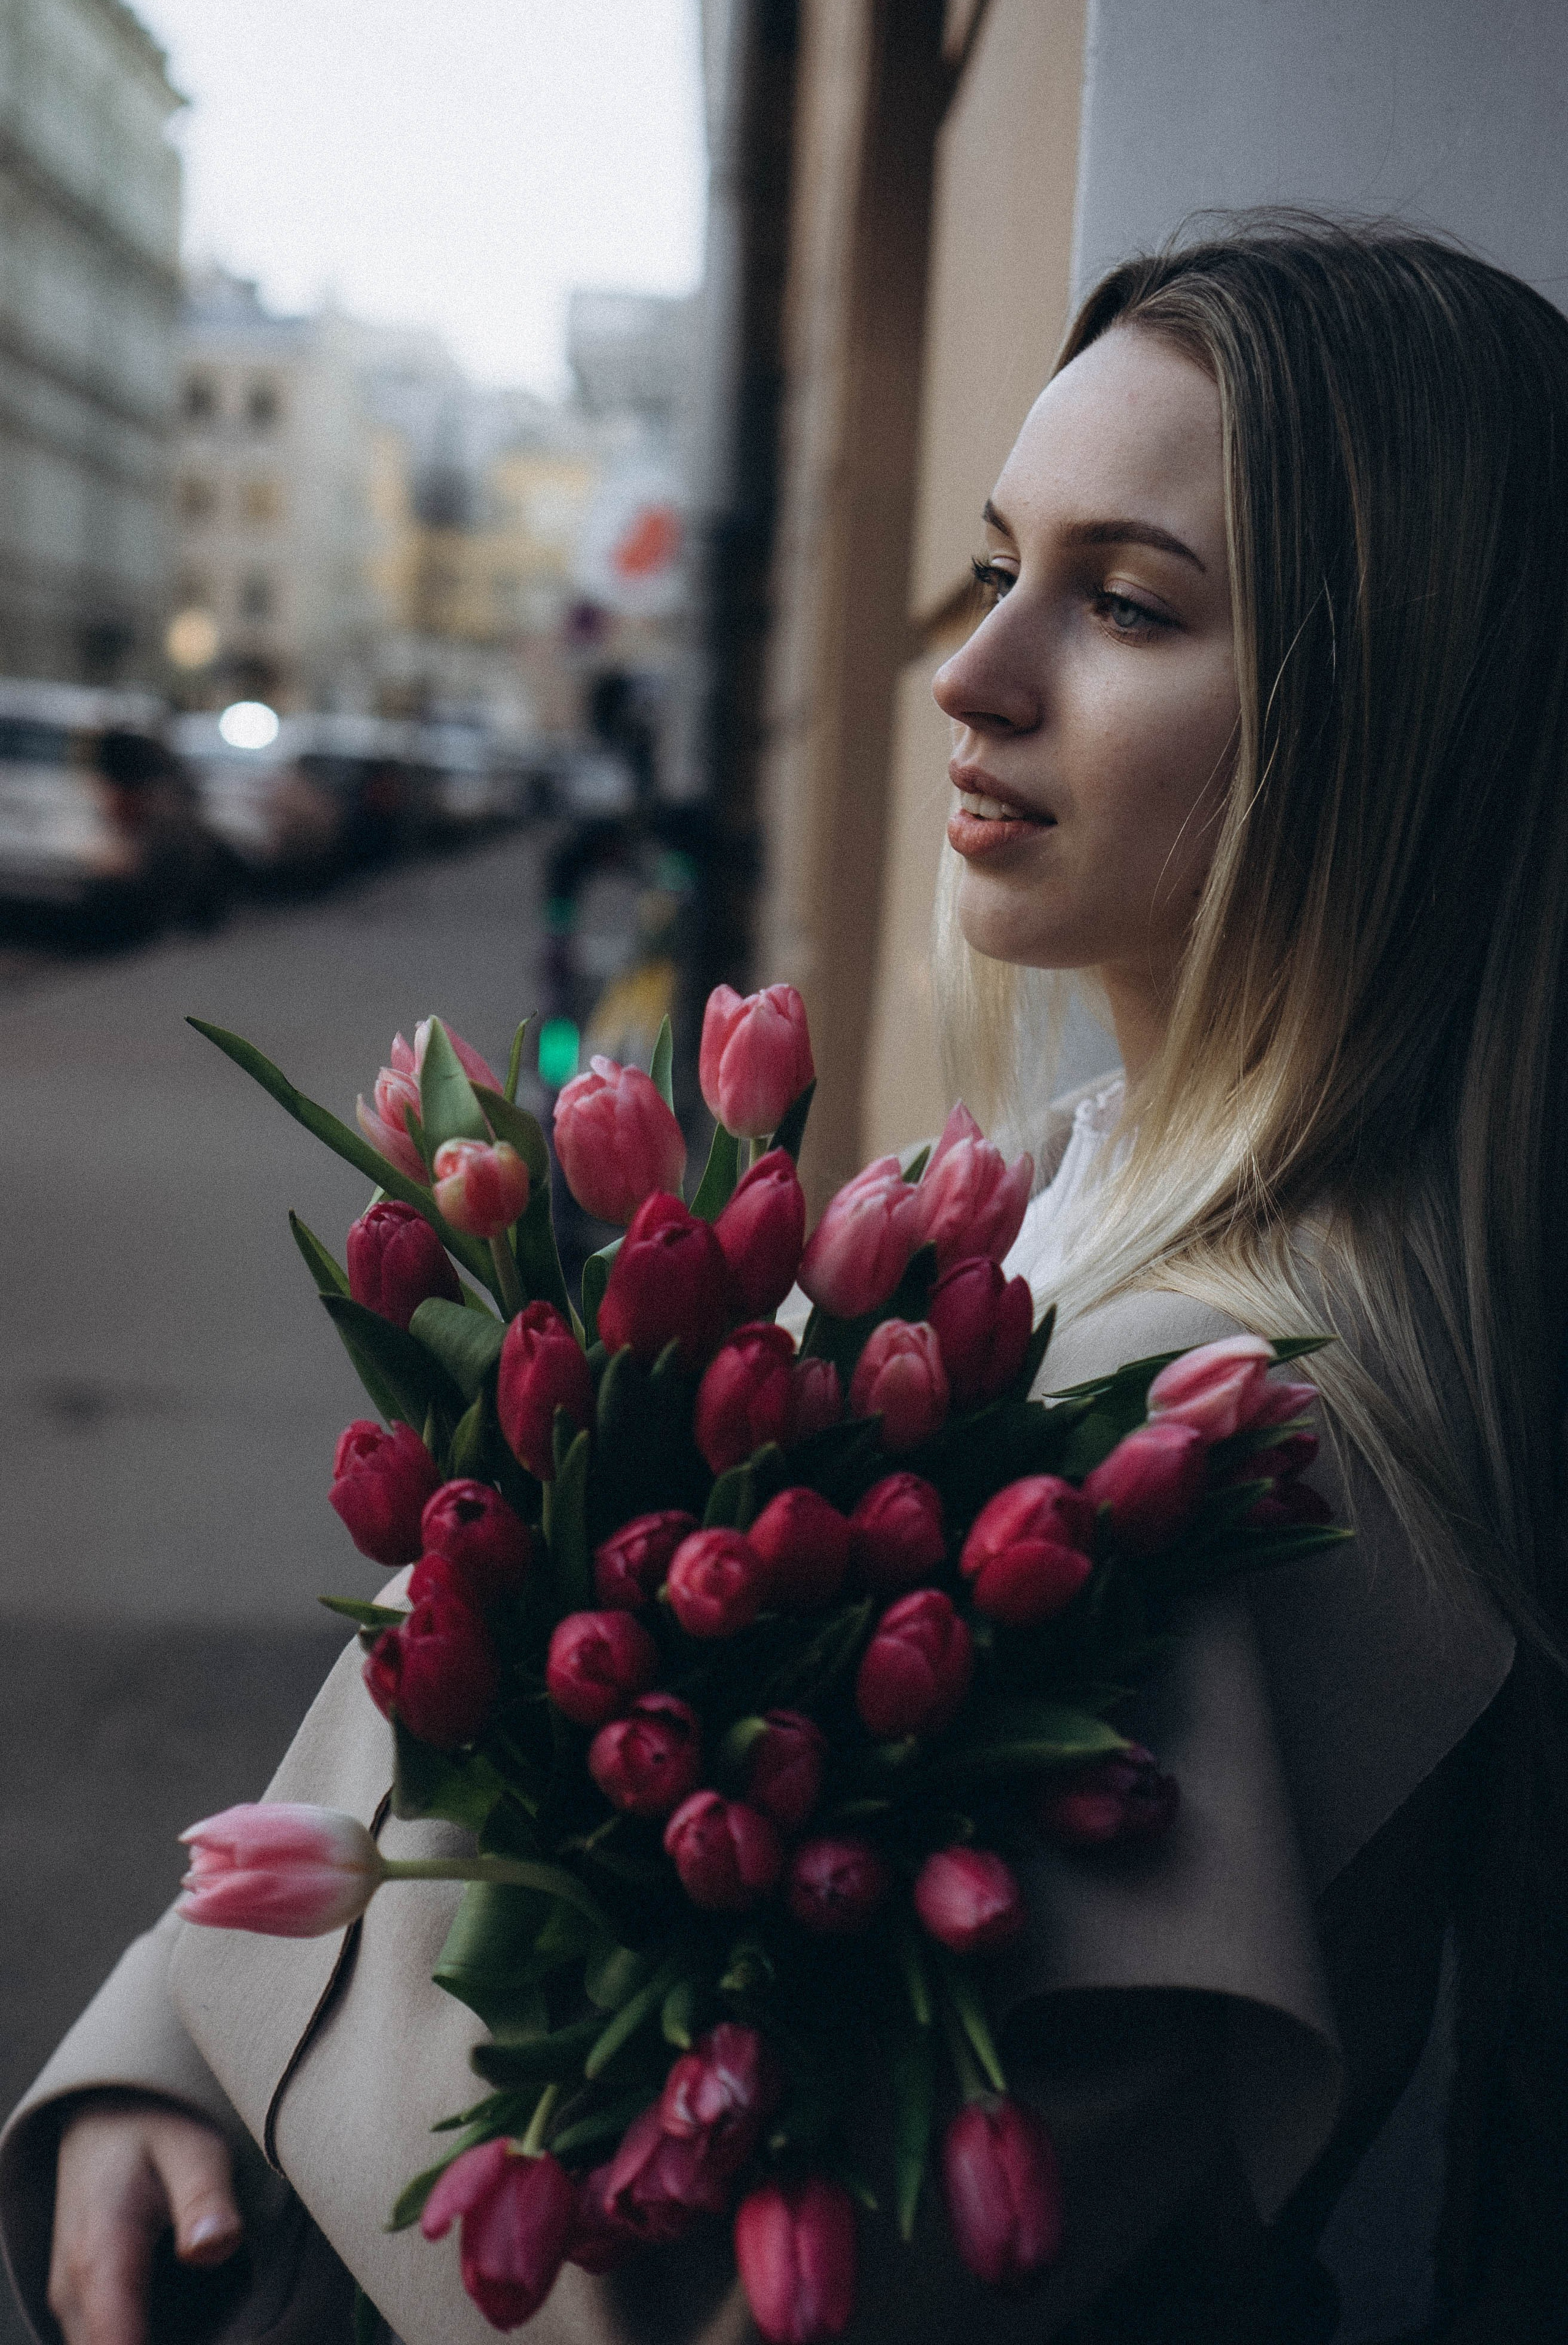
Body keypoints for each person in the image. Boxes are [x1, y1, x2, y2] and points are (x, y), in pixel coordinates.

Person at [5, 213, 1565, 2342]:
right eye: (1000, 565)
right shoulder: (1025, 1217)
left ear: (1397, 720)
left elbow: (669, 2291)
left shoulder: (1273, 1444)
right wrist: (156, 2041)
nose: (973, 673)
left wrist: (223, 2002)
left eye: (1125, 605)